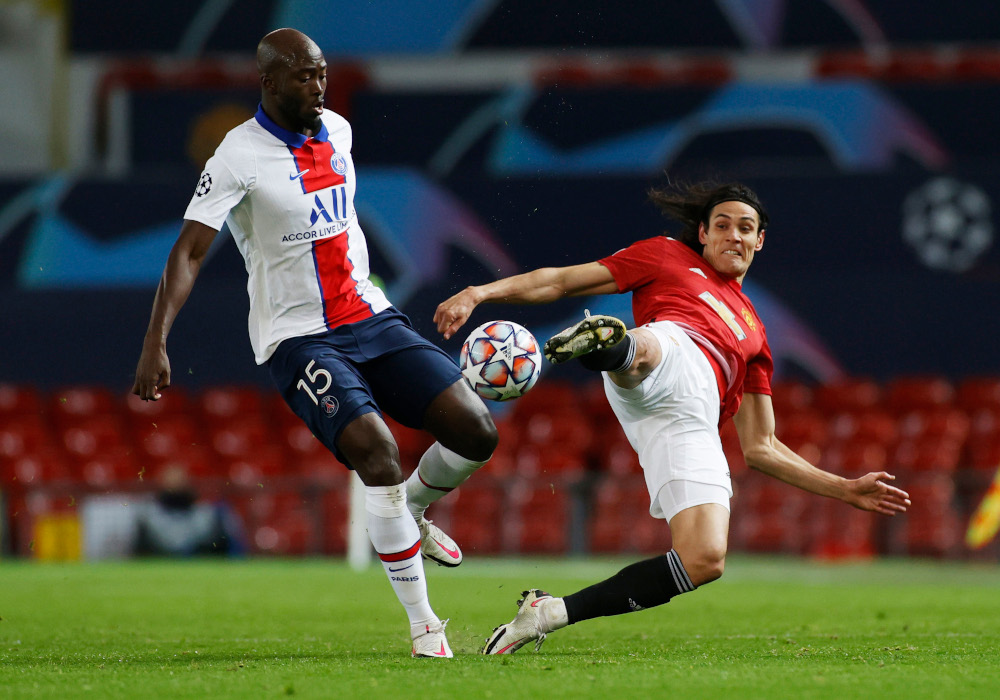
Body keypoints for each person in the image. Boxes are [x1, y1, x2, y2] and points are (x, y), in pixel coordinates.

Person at [132, 28, 498, 658]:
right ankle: (424, 624)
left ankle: (407, 510)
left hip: (373, 318)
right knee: (377, 454)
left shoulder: (340, 132)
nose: (318, 85)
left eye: (322, 72)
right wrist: (155, 341)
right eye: (303, 75)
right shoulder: (236, 155)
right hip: (299, 338)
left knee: (477, 431)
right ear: (269, 81)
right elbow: (190, 251)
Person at [433, 180, 912, 654]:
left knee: (705, 559)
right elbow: (560, 279)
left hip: (685, 423)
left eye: (746, 228)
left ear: (759, 240)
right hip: (671, 350)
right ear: (702, 233)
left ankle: (550, 613)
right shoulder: (666, 256)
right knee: (657, 347)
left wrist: (844, 489)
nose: (734, 236)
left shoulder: (755, 334)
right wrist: (480, 292)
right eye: (722, 225)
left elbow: (761, 447)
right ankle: (612, 345)